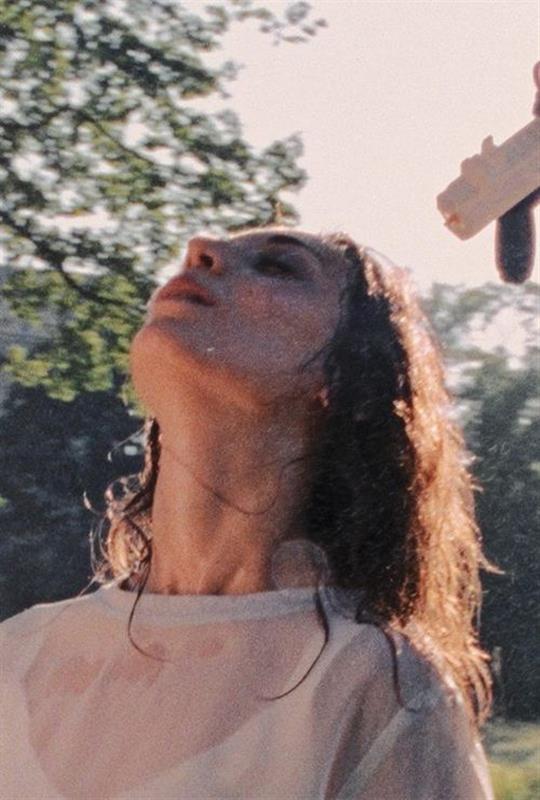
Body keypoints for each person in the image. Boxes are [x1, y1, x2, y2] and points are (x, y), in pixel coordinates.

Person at [0, 229, 495, 799]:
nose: (200, 246)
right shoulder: (17, 653)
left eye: (279, 266)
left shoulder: (377, 685)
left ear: (341, 380)